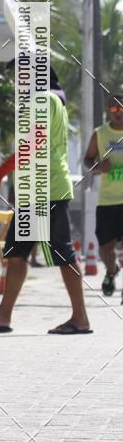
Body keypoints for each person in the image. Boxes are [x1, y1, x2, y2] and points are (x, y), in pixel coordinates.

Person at [0, 63, 92, 335]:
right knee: (17, 253)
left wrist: (1, 171)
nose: (18, 81)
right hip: (34, 191)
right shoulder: (45, 100)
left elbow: (33, 144)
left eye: (21, 75)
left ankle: (80, 318)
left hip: (47, 189)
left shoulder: (45, 99)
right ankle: (2, 316)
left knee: (63, 255)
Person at [83, 93, 123, 298]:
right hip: (107, 200)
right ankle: (111, 271)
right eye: (114, 109)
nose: (118, 112)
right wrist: (99, 167)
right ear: (109, 111)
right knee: (105, 248)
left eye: (121, 108)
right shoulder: (100, 134)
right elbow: (87, 161)